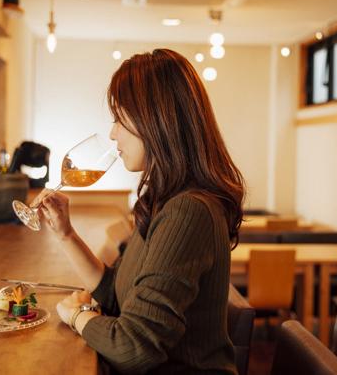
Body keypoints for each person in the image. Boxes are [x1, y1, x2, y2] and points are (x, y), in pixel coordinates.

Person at [34, 48, 246, 374]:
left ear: (158, 119)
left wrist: (78, 317)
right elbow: (116, 294)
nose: (112, 132)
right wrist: (66, 234)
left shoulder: (188, 212)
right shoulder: (165, 201)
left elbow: (135, 347)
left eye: (120, 118)